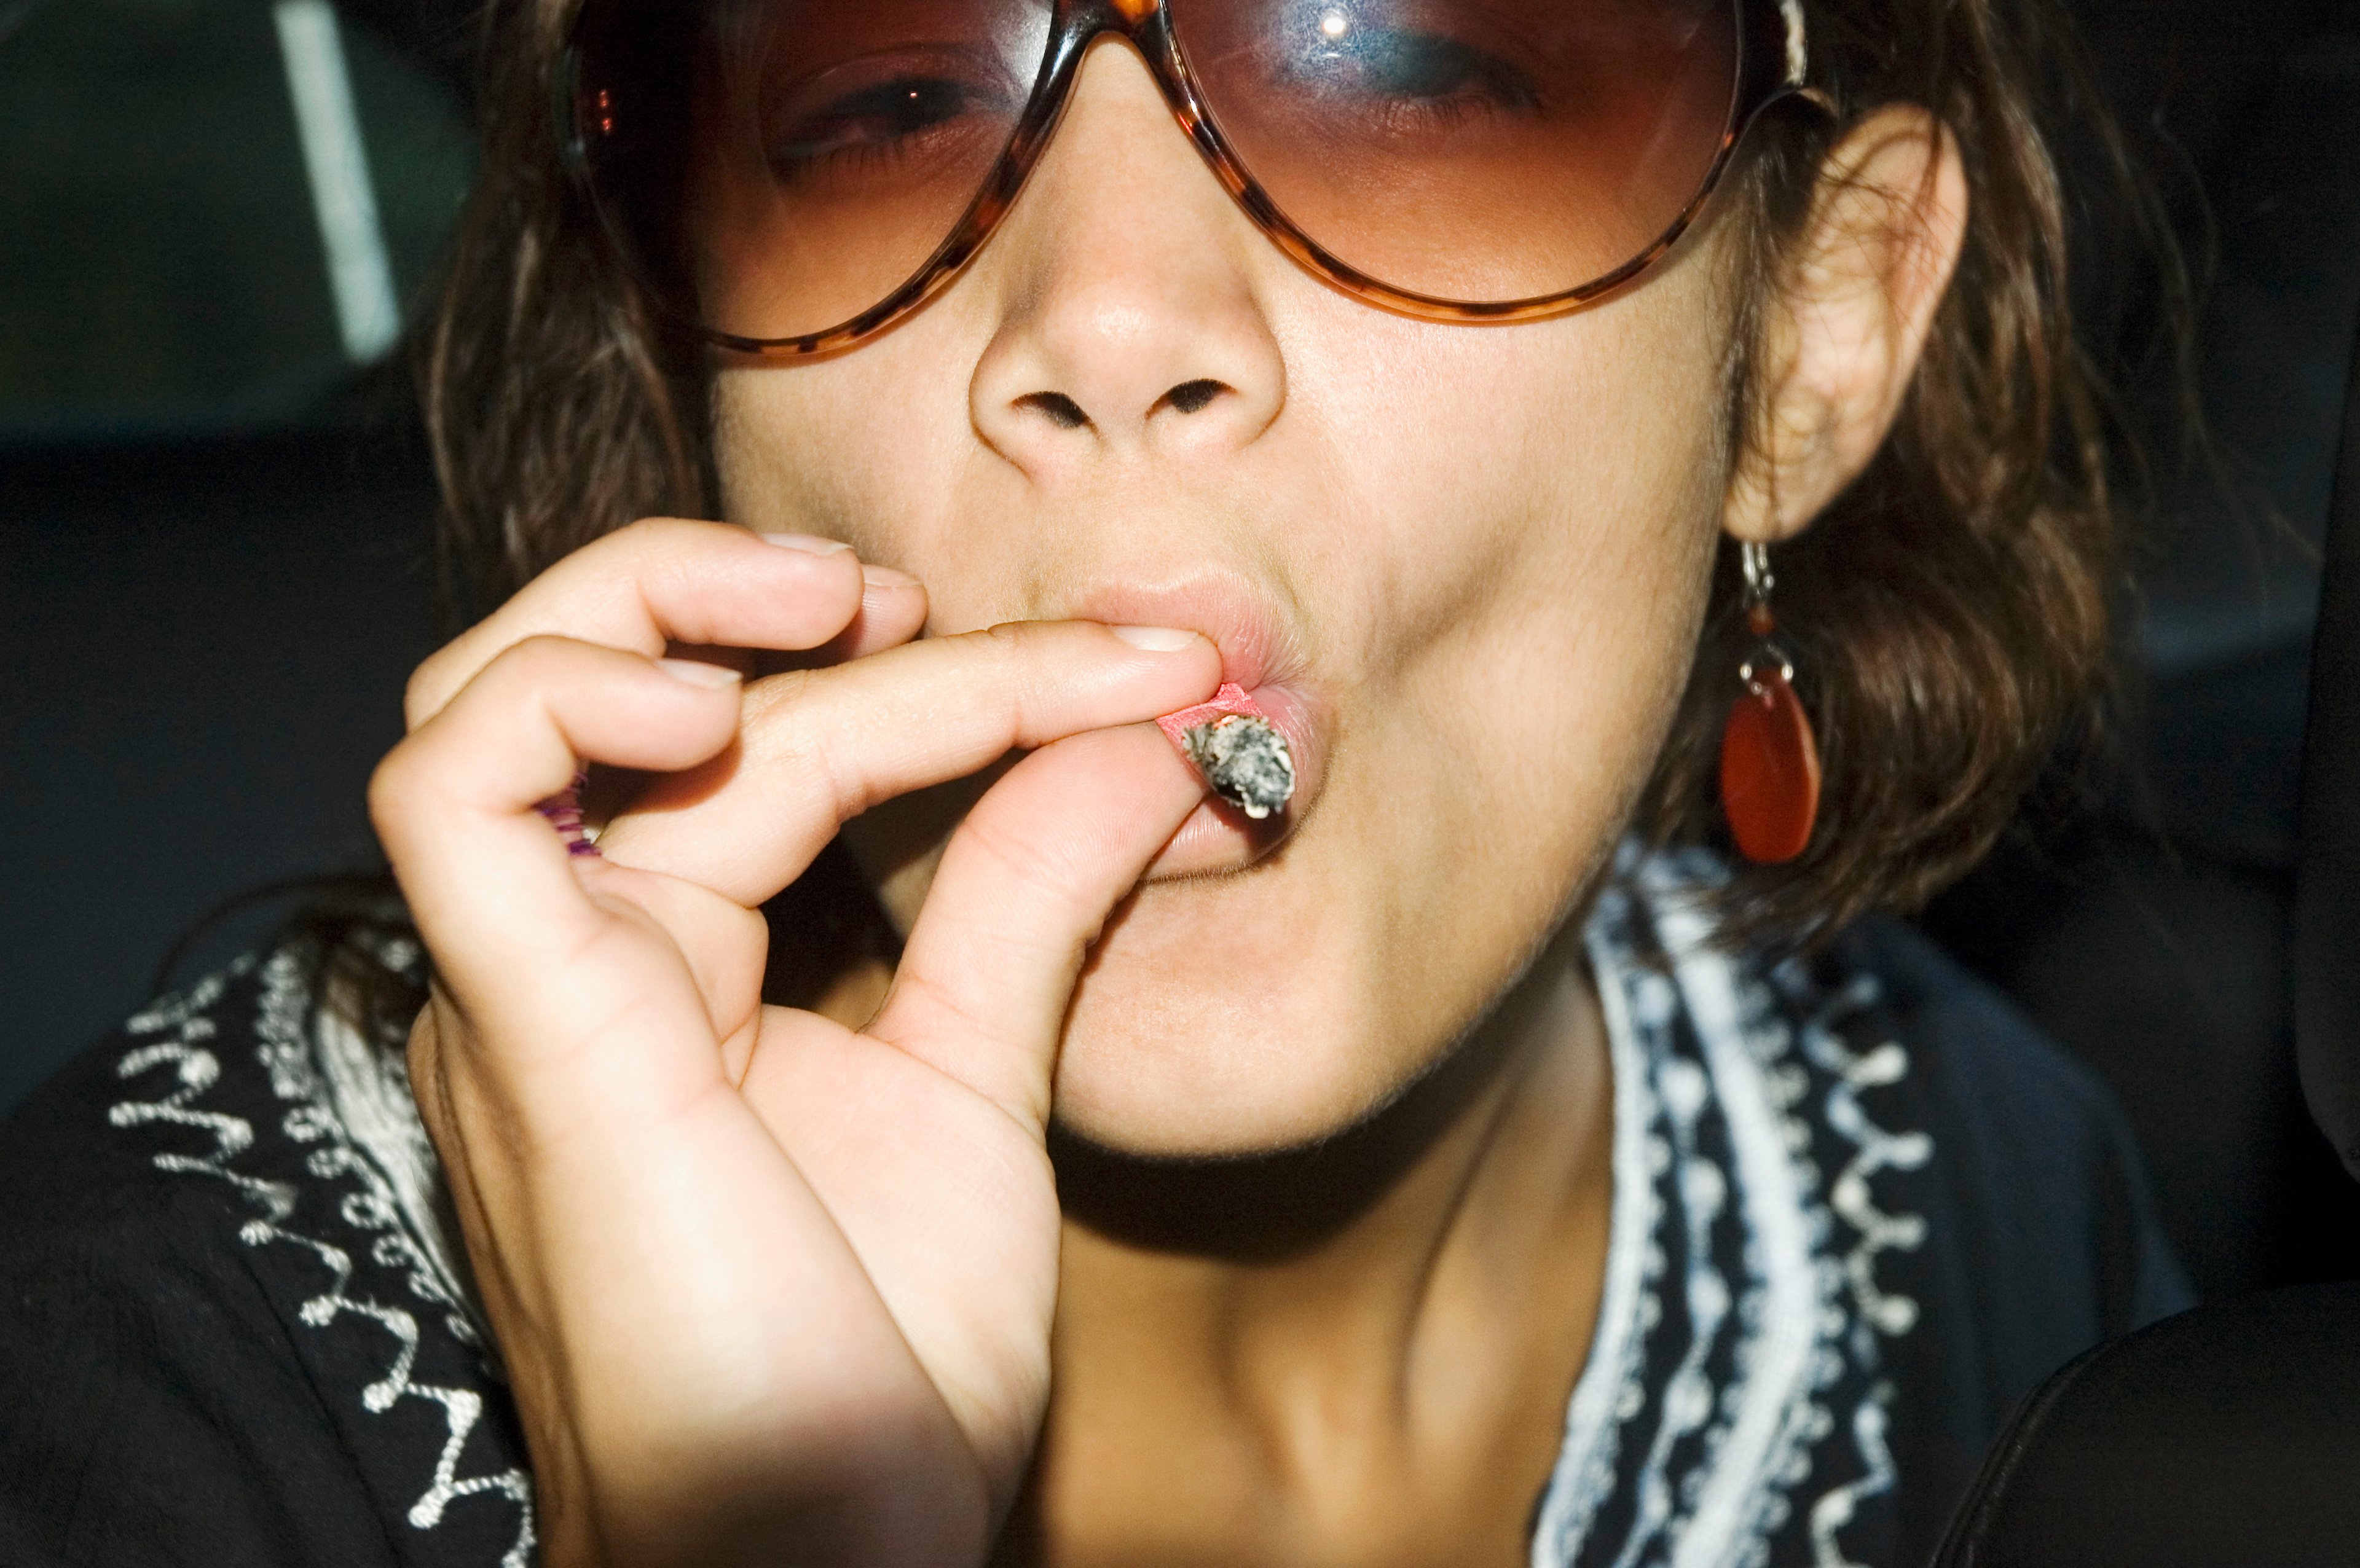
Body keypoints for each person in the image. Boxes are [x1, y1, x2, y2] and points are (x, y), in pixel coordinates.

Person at [0, 1, 2192, 1564]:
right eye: (885, 104)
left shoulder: (1991, 1207)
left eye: (1406, 67)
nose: (1111, 322)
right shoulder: (133, 1390)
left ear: (1806, 341)